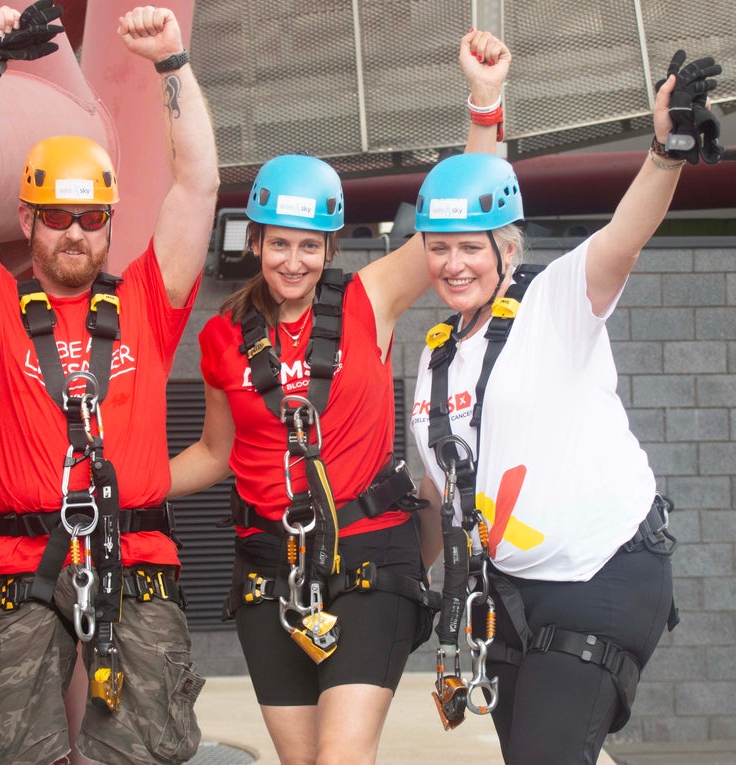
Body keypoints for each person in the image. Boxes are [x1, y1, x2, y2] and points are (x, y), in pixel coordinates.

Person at [168, 29, 510, 765]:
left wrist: (484, 104)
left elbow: (461, 213)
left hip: (369, 560)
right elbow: (214, 452)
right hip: (268, 567)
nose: (294, 260)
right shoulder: (224, 337)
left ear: (330, 247)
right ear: (255, 242)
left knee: (340, 759)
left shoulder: (369, 299)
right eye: (279, 242)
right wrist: (122, 481)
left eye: (311, 244)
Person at [409, 50, 736, 764]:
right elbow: (441, 498)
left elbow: (623, 239)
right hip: (512, 599)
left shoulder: (553, 301)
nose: (454, 264)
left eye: (472, 246)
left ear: (508, 245)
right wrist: (408, 583)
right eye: (439, 249)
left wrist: (664, 152)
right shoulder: (434, 360)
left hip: (603, 572)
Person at [0, 3, 219, 763]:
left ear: (111, 219)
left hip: (138, 561)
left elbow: (197, 185)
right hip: (18, 569)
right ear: (27, 217)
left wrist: (171, 64)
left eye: (91, 214)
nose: (76, 229)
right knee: (16, 753)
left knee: (142, 752)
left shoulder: (147, 301)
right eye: (56, 214)